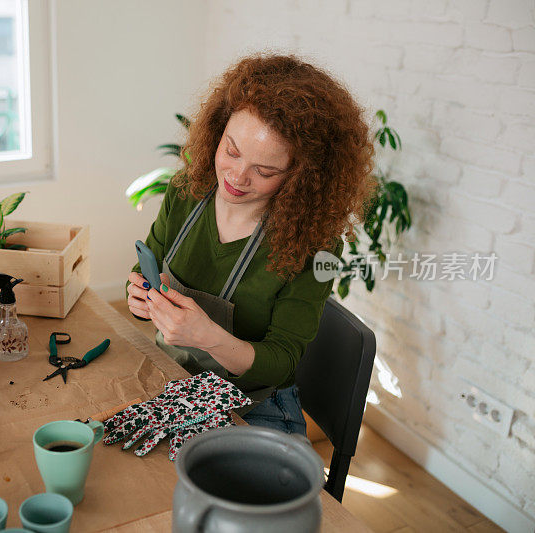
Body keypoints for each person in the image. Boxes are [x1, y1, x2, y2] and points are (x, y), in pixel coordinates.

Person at [126, 54, 375, 435]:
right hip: (170, 376)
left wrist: (208, 336)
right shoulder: (186, 191)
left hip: (254, 404)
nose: (237, 177)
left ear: (300, 176)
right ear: (217, 130)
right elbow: (147, 267)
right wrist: (140, 297)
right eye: (231, 150)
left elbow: (282, 360)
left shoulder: (314, 248)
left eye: (266, 170)